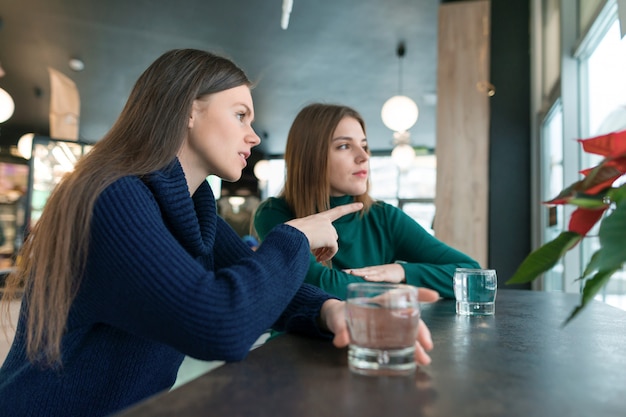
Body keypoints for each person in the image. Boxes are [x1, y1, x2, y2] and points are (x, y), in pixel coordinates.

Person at [0, 50, 435, 417]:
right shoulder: (114, 197)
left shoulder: (193, 206)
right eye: (241, 115)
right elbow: (219, 324)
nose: (252, 136)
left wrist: (333, 311)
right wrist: (294, 237)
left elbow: (254, 281)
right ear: (189, 109)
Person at [254, 103, 481, 300]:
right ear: (310, 157)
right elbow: (320, 286)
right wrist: (398, 289)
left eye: (364, 145)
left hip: (372, 339)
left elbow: (473, 276)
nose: (364, 156)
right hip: (293, 345)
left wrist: (400, 272)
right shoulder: (275, 213)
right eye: (344, 146)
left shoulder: (383, 217)